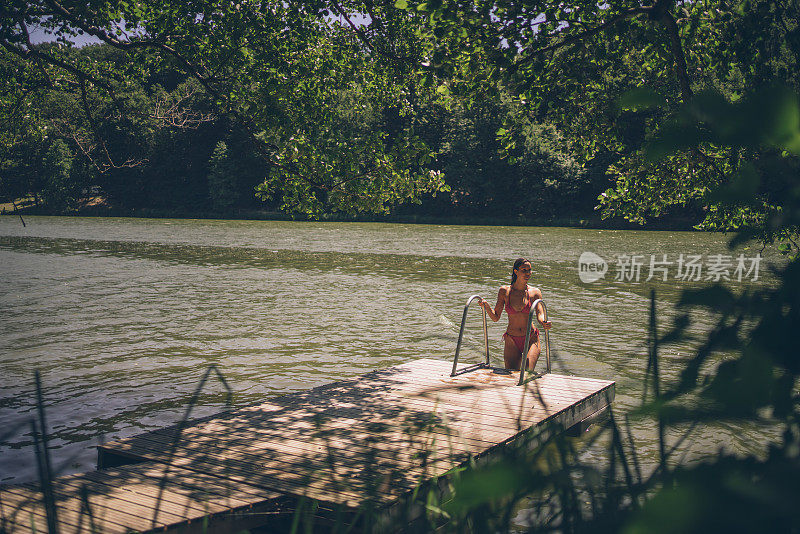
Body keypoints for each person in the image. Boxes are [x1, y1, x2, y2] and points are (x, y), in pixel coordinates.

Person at [479, 258, 552, 371]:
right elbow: (495, 317)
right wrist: (486, 307)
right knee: (511, 375)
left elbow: (539, 313)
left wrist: (543, 322)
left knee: (526, 372)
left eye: (529, 270)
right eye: (524, 270)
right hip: (511, 340)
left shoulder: (535, 293)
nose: (527, 273)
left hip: (531, 338)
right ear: (516, 271)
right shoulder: (504, 291)